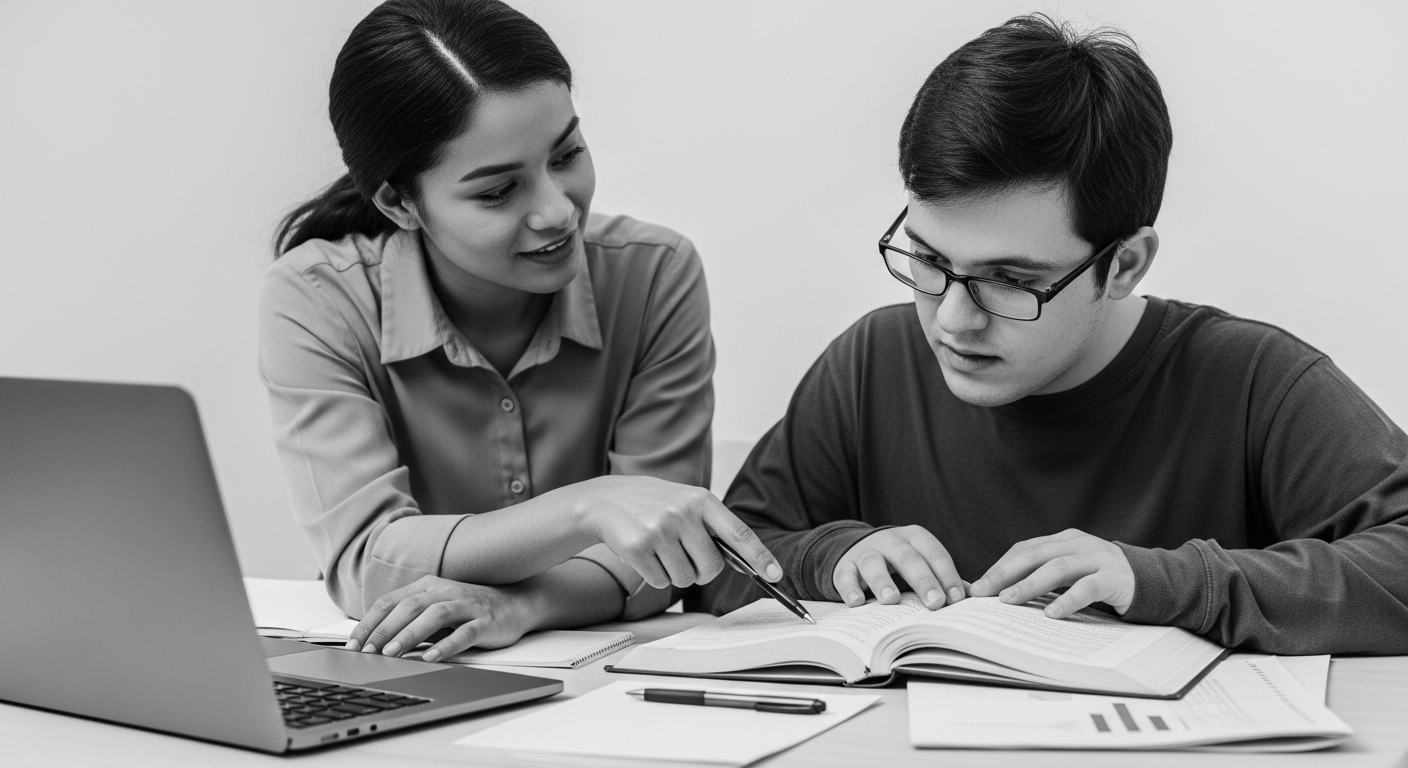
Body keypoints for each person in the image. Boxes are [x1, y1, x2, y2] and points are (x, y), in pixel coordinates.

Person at [692, 14, 1408, 654]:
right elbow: (719, 563)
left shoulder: (1255, 381)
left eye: (1010, 279)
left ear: (1123, 264)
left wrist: (1163, 579)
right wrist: (832, 556)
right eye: (929, 261)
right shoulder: (870, 363)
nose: (951, 320)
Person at [259, 0, 782, 664]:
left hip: (605, 680)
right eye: (498, 192)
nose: (558, 211)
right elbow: (370, 562)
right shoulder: (316, 296)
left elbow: (662, 561)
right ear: (398, 202)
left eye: (566, 154)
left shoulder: (656, 276)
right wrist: (588, 508)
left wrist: (518, 605)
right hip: (405, 669)